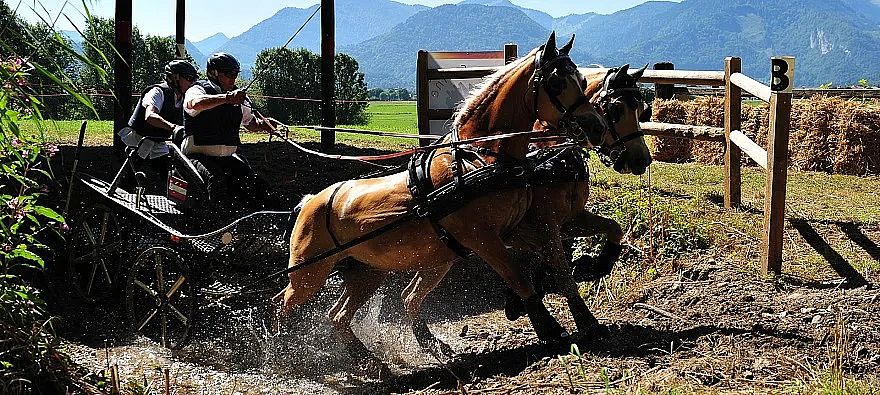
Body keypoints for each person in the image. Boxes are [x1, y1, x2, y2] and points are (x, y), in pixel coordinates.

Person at [182, 52, 279, 215]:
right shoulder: (197, 90)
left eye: (235, 74)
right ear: (213, 73)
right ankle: (216, 225)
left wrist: (263, 125)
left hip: (226, 159)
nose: (233, 79)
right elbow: (196, 104)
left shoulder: (238, 98)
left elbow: (250, 122)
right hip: (197, 157)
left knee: (256, 182)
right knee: (216, 180)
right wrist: (227, 98)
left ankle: (263, 220)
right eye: (229, 74)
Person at [118, 59, 197, 176]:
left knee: (171, 176)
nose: (192, 83)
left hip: (158, 143)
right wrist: (173, 127)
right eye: (189, 79)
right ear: (175, 77)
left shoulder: (185, 98)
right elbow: (149, 116)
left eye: (194, 80)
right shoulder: (158, 92)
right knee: (127, 179)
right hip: (135, 140)